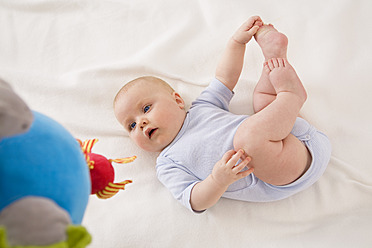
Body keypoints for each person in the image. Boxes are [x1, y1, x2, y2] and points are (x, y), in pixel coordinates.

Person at [113, 16, 331, 212]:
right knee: (249, 136)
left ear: (178, 100)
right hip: (285, 172)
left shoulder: (202, 107)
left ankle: (274, 58)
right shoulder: (168, 164)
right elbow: (195, 200)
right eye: (130, 126)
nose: (140, 123)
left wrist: (236, 43)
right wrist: (218, 180)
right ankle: (291, 96)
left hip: (289, 133)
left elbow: (225, 77)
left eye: (146, 109)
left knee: (263, 100)